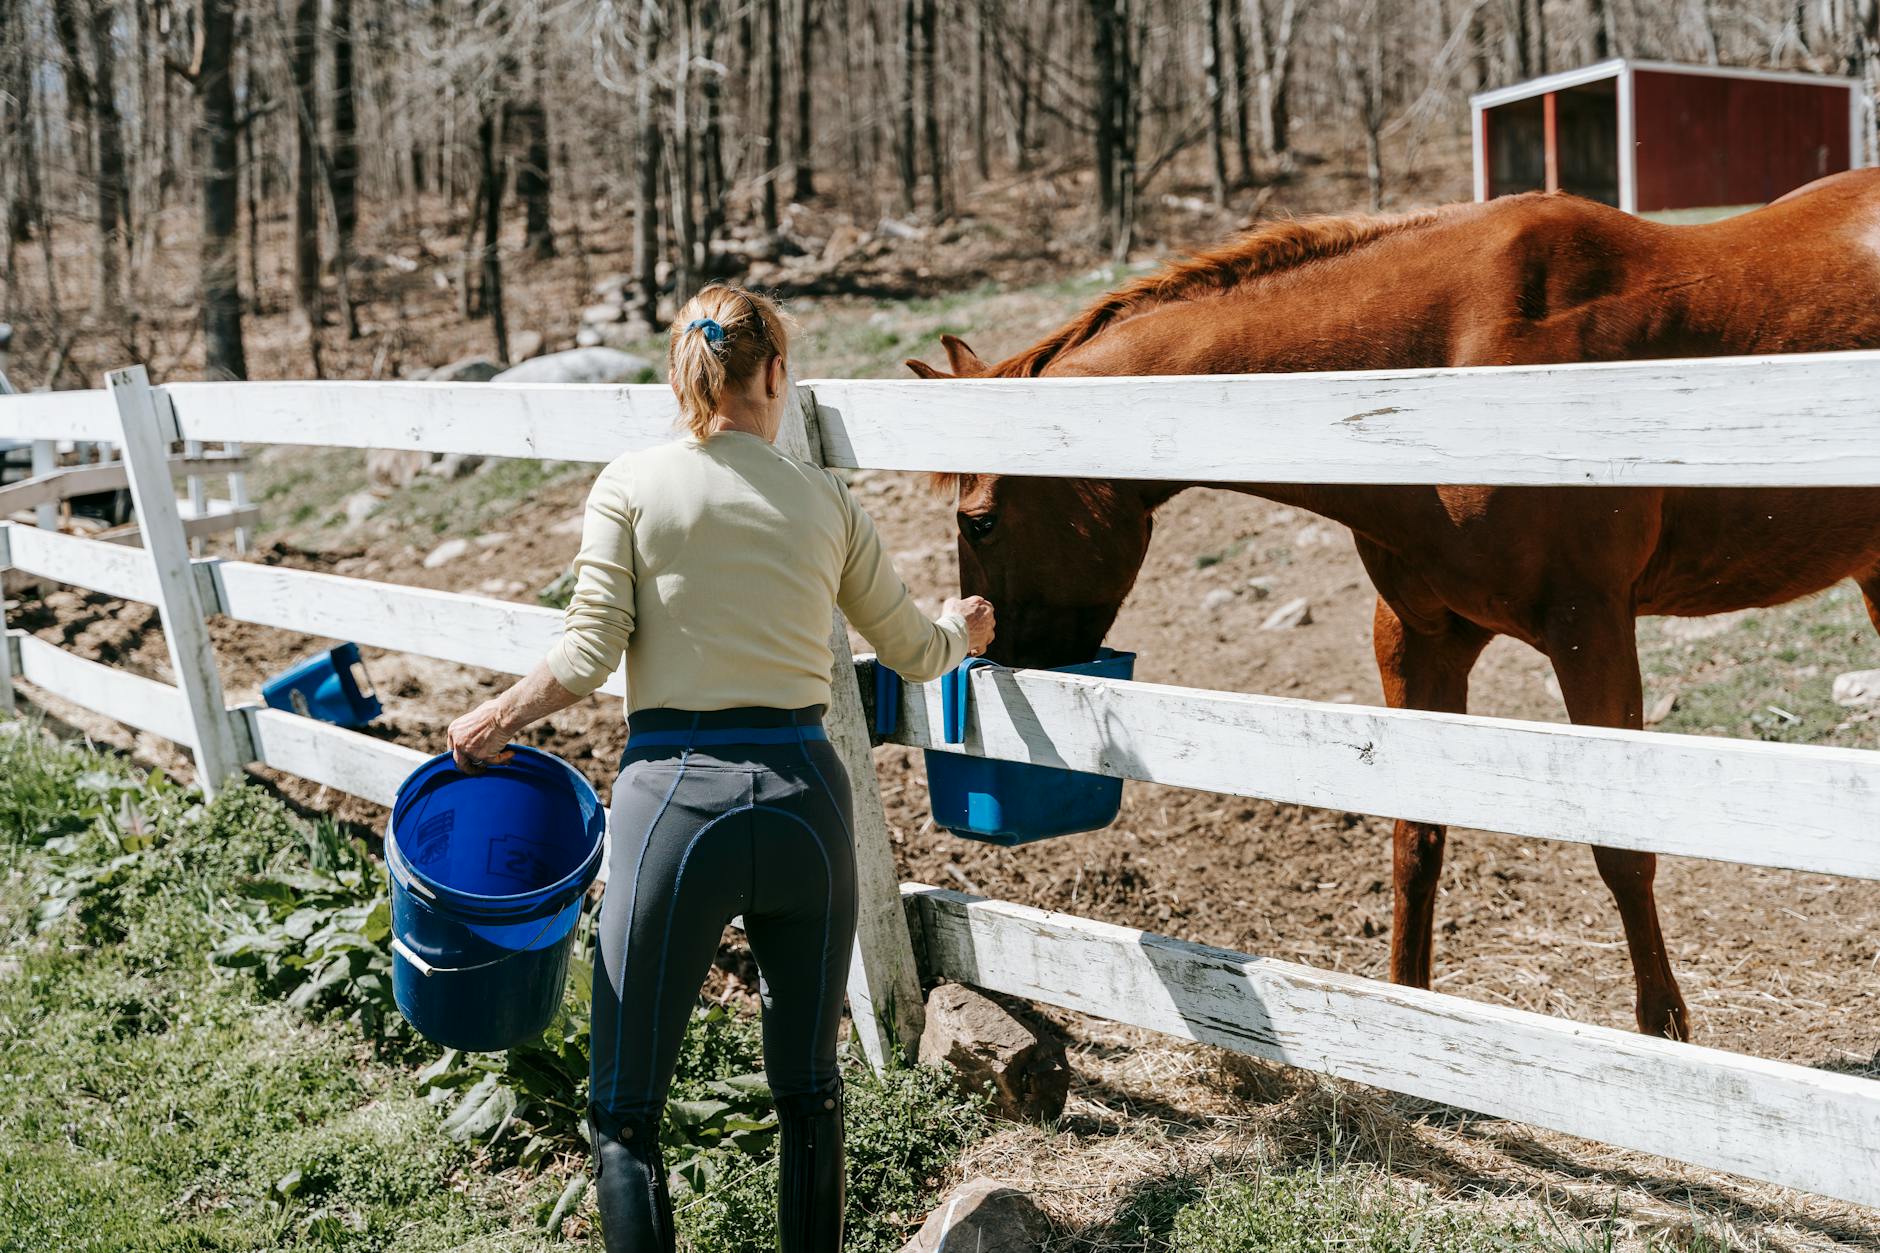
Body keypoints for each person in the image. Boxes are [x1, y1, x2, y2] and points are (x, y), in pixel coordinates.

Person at [445, 283, 995, 1252]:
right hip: (805, 806)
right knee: (810, 1092)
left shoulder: (629, 485)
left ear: (680, 374)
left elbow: (586, 654)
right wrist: (962, 627)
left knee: (624, 1110)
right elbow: (913, 650)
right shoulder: (826, 500)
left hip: (674, 805)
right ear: (776, 373)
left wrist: (497, 714)